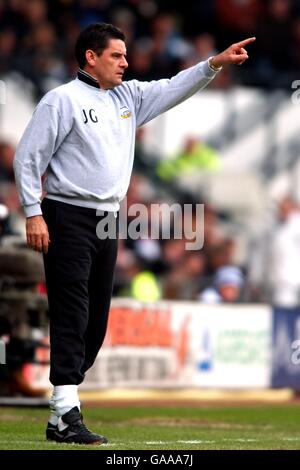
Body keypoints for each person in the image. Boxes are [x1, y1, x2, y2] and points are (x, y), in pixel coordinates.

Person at [13, 23, 255, 445]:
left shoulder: (130, 98)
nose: (126, 62)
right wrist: (34, 213)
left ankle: (63, 401)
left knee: (96, 323)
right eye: (116, 55)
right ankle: (65, 411)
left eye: (126, 56)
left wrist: (213, 64)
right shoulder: (62, 100)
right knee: (73, 312)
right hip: (67, 214)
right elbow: (28, 158)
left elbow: (173, 86)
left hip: (110, 219)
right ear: (91, 57)